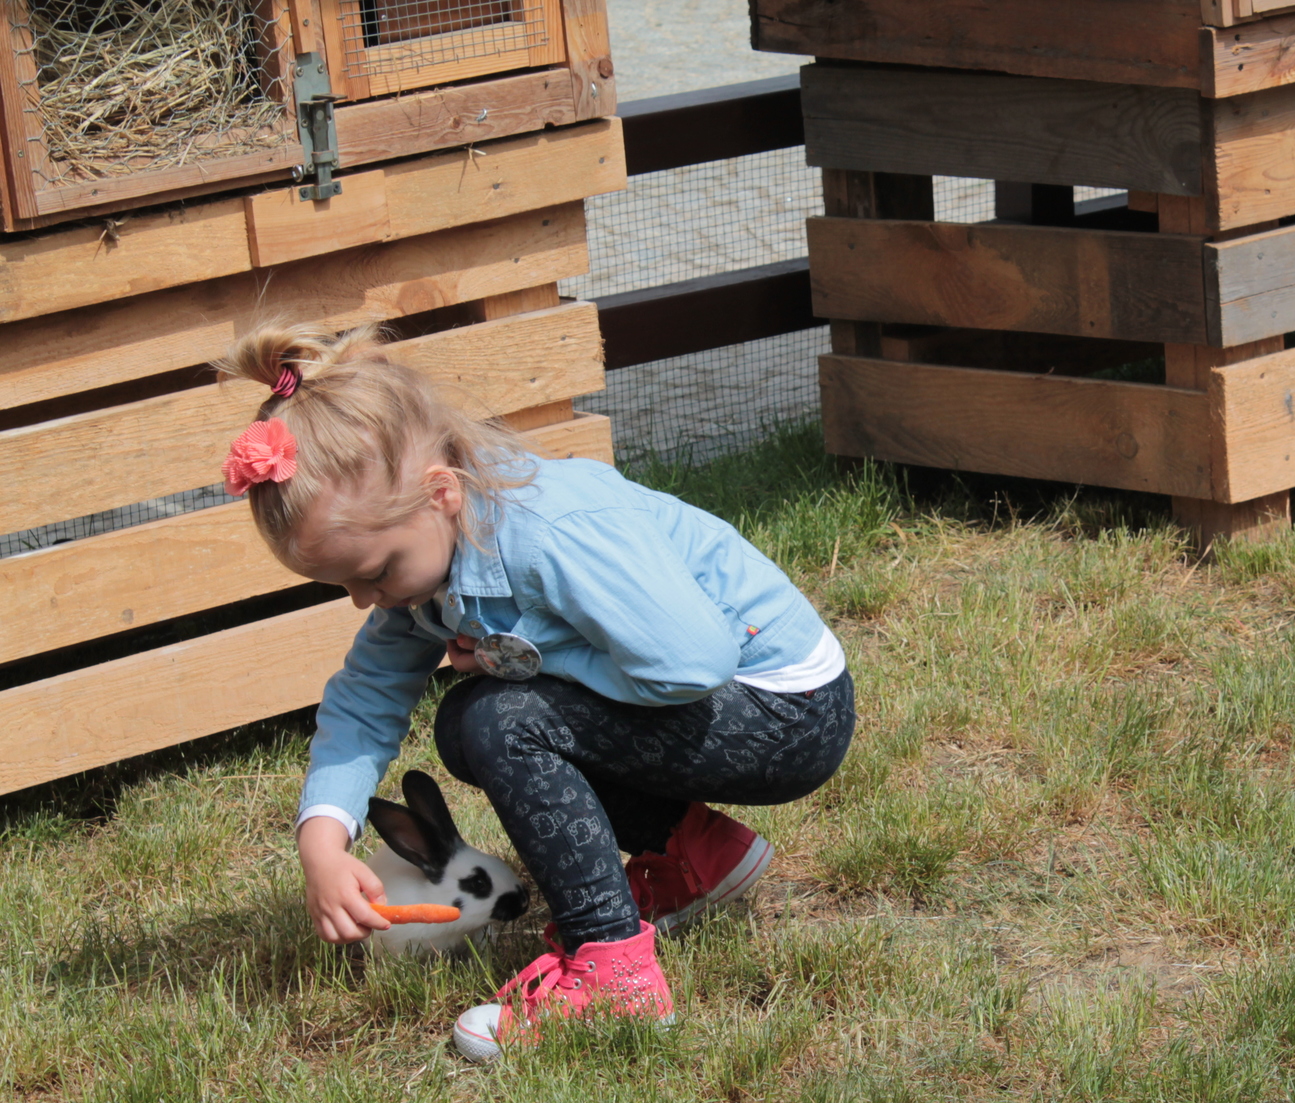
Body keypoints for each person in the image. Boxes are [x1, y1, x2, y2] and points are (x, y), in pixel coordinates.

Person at [215, 321, 855, 1061]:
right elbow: (364, 699)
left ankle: (615, 974)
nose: (365, 600)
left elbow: (695, 662)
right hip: (730, 706)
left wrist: (521, 660)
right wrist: (322, 840)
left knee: (497, 721)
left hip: (787, 712)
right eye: (345, 585)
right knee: (469, 723)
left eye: (377, 572)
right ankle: (696, 858)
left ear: (440, 494)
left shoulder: (552, 532)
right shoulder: (427, 573)